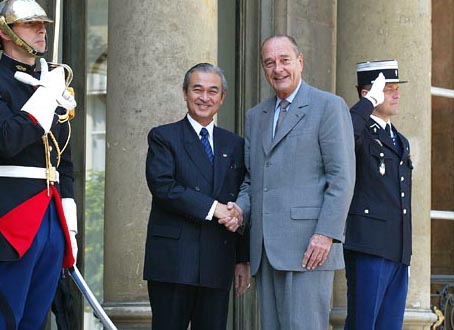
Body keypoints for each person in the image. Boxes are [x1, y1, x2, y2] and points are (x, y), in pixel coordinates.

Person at [233, 35, 356, 329]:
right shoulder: (255, 116)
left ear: (300, 62)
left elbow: (342, 177)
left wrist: (326, 233)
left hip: (309, 248)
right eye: (269, 63)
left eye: (284, 60)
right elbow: (252, 180)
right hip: (265, 249)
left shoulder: (328, 106)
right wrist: (238, 209)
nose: (278, 69)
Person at [143, 62, 250, 330]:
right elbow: (164, 187)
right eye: (197, 89)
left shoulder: (235, 144)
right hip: (174, 262)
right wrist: (215, 208)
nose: (205, 98)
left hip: (217, 260)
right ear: (185, 93)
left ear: (222, 97)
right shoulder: (163, 137)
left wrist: (242, 259)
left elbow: (242, 196)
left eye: (213, 91)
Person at [0, 0, 78, 328]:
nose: (41, 30)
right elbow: (7, 140)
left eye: (42, 23)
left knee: (36, 320)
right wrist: (47, 95)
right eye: (31, 24)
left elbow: (65, 162)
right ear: (5, 32)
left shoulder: (49, 81)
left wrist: (69, 227)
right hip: (11, 216)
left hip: (51, 217)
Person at [343, 60, 412, 330]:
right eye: (388, 88)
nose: (396, 94)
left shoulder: (399, 139)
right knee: (363, 324)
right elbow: (343, 134)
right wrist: (369, 102)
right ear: (367, 94)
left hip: (397, 248)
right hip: (368, 247)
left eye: (397, 88)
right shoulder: (360, 130)